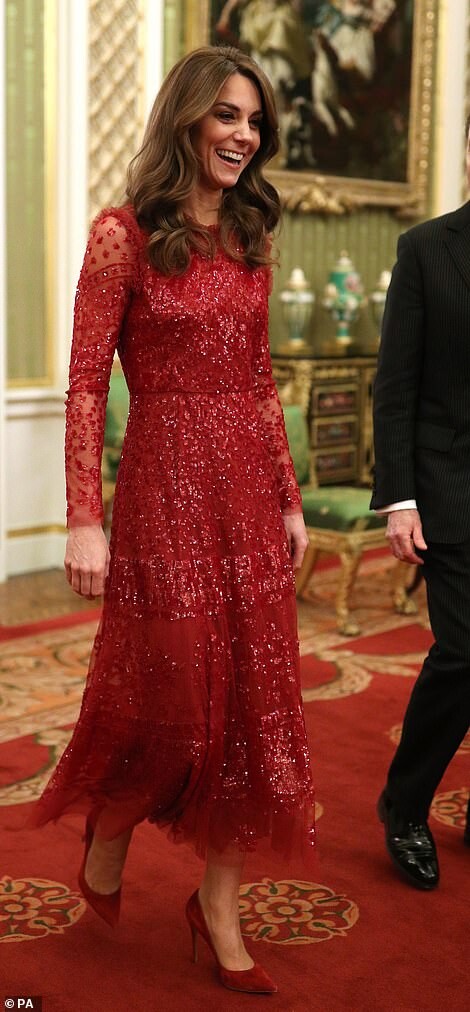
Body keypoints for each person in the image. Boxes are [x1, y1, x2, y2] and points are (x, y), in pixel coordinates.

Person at [29, 46, 315, 994]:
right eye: (227, 115)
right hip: (161, 489)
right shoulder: (124, 234)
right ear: (186, 118)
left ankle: (219, 906)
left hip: (246, 495)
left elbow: (260, 380)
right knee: (173, 697)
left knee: (255, 707)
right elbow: (84, 384)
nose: (244, 135)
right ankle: (110, 828)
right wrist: (84, 517)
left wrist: (287, 496)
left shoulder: (251, 233)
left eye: (255, 120)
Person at [370, 116, 470, 890]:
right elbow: (395, 385)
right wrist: (399, 497)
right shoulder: (426, 249)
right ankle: (405, 806)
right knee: (464, 653)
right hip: (447, 487)